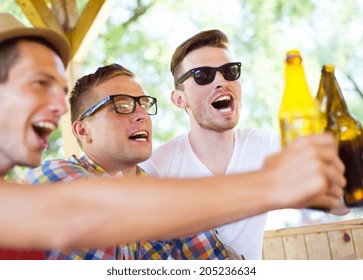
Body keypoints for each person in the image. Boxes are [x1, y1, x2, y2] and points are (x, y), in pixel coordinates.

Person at [0, 13, 345, 254]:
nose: (57, 106)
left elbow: (211, 256)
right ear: (82, 130)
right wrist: (275, 184)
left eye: (141, 104)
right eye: (39, 84)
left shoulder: (151, 190)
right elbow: (86, 213)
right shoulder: (58, 175)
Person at [140, 29, 347, 259]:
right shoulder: (156, 168)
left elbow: (338, 205)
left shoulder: (268, 149)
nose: (221, 81)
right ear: (180, 99)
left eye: (230, 72)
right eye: (202, 75)